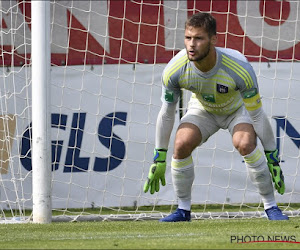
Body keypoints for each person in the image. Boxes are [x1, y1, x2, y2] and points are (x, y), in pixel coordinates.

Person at [143, 12, 288, 222]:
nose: (191, 44)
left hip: (237, 110)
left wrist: (272, 158)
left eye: (199, 38)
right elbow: (166, 114)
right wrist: (159, 156)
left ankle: (271, 206)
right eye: (188, 38)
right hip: (203, 109)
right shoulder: (174, 69)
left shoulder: (239, 68)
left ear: (213, 40)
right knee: (181, 143)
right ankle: (183, 210)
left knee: (245, 144)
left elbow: (257, 115)